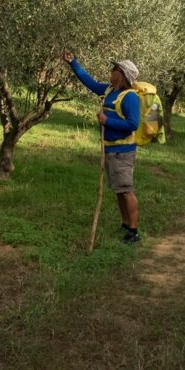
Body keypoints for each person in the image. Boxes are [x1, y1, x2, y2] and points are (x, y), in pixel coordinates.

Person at [62, 51, 142, 244]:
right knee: (118, 190)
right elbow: (88, 81)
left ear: (121, 74)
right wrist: (73, 62)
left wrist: (108, 121)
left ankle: (134, 232)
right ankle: (125, 224)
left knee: (126, 191)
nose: (111, 71)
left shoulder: (129, 97)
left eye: (115, 69)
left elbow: (133, 124)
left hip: (122, 151)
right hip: (110, 149)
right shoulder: (109, 91)